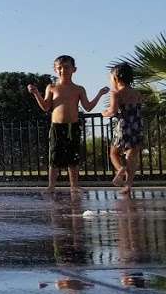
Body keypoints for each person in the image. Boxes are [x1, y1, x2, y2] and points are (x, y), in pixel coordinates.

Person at [27, 57, 107, 193]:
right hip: (56, 127)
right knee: (54, 156)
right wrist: (36, 94)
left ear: (74, 69)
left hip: (72, 126)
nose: (63, 70)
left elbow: (87, 107)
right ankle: (51, 186)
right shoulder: (52, 87)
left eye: (66, 67)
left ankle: (74, 186)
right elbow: (46, 107)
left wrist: (99, 94)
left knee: (73, 157)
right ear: (55, 70)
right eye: (59, 67)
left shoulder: (78, 89)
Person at [105, 61, 145, 197]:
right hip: (137, 126)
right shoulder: (137, 93)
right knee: (132, 156)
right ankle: (128, 185)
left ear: (116, 78)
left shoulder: (116, 93)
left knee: (113, 153)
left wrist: (105, 113)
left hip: (123, 127)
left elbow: (113, 110)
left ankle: (120, 169)